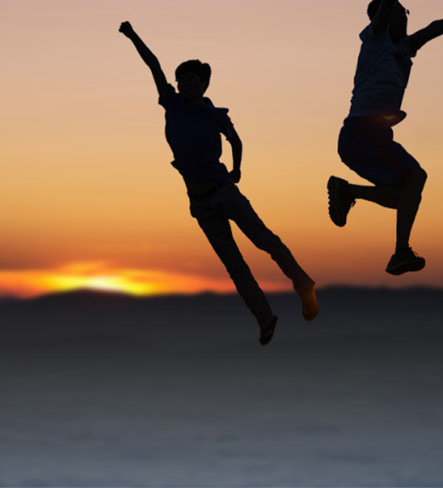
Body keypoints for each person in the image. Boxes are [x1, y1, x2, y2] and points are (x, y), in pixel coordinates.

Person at [118, 21, 318, 345]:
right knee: (234, 265)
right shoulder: (172, 104)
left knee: (265, 240)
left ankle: (302, 283)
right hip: (200, 203)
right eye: (181, 79)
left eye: (191, 79)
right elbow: (153, 65)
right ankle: (265, 318)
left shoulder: (215, 115)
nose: (185, 84)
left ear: (203, 84)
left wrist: (237, 170)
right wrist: (132, 36)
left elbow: (236, 140)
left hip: (225, 192)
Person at [328, 0, 443, 275]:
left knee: (404, 196)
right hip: (361, 132)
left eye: (404, 13)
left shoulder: (403, 48)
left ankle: (348, 191)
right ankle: (400, 252)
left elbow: (430, 30)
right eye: (397, 12)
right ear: (381, 18)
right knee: (416, 177)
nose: (404, 17)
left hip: (373, 135)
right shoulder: (376, 39)